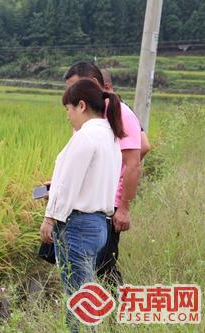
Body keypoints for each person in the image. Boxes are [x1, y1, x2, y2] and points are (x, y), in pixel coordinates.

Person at [40, 78, 123, 331]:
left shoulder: (85, 136)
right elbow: (88, 181)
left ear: (82, 105)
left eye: (69, 109)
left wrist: (49, 218)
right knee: (84, 295)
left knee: (78, 301)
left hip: (77, 227)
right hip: (99, 226)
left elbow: (67, 185)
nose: (68, 116)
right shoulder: (110, 136)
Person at [63, 62, 143, 288]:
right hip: (88, 204)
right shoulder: (86, 116)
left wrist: (124, 207)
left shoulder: (118, 113)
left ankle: (115, 316)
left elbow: (134, 161)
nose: (71, 94)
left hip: (108, 205)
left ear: (95, 85)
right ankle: (94, 313)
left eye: (75, 87)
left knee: (104, 266)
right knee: (85, 264)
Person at [101, 69, 151, 159]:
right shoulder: (121, 106)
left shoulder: (121, 109)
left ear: (107, 87)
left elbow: (144, 146)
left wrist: (122, 169)